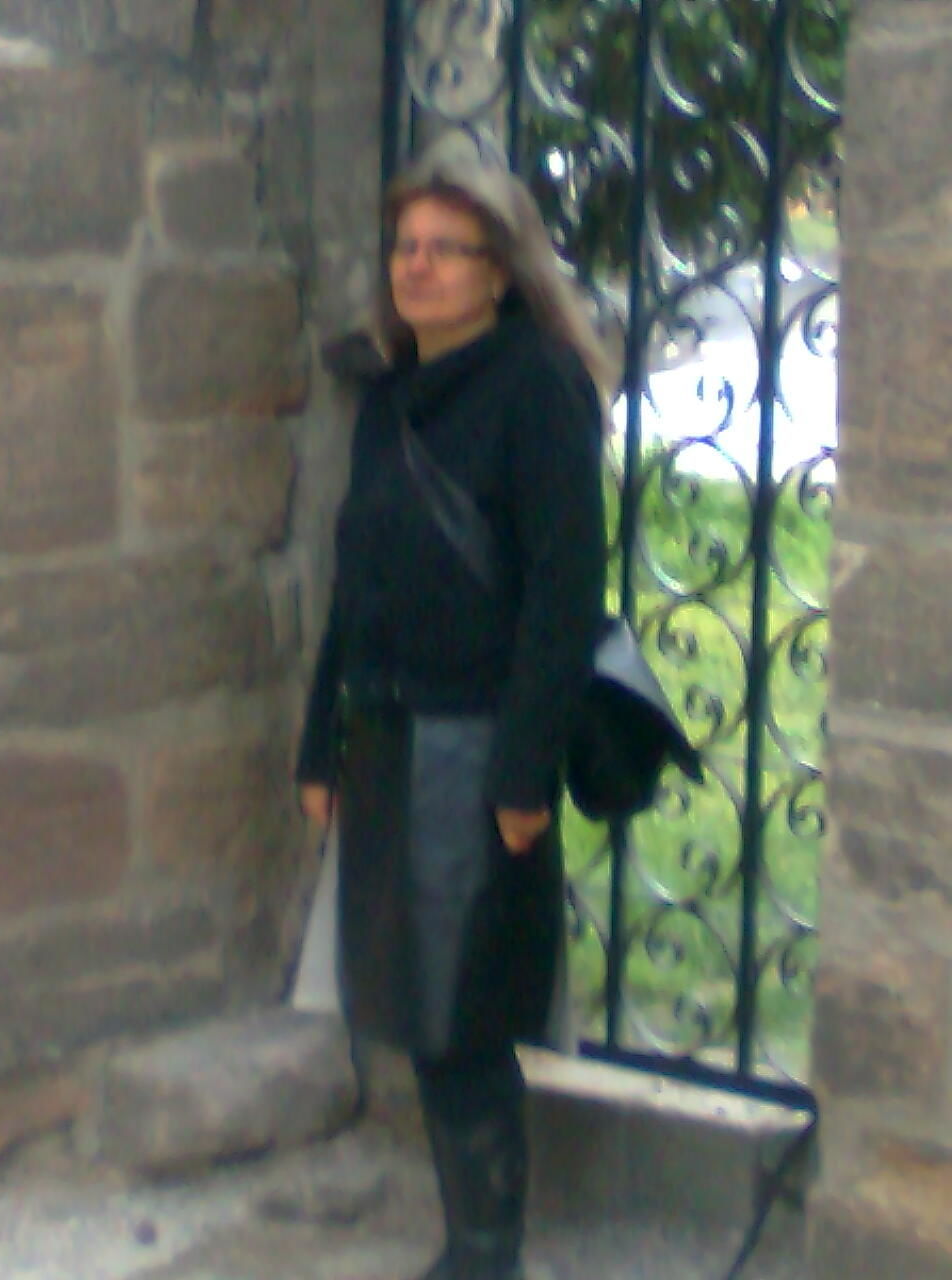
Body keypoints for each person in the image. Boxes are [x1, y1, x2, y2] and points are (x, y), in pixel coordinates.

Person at [295, 131, 612, 1280]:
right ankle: (472, 1245)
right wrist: (318, 746)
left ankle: (486, 1253)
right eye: (405, 246)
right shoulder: (391, 396)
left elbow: (563, 596)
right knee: (419, 1012)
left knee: (462, 1020)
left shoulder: (536, 389)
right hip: (386, 741)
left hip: (475, 752)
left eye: (446, 248)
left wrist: (523, 772)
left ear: (500, 269)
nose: (416, 266)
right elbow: (354, 586)